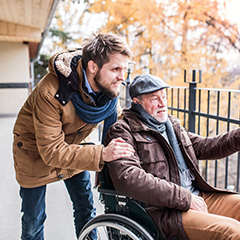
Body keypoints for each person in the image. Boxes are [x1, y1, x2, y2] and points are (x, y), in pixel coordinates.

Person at [13, 33, 135, 240]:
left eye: (124, 69)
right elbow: (51, 151)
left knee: (86, 209)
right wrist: (102, 154)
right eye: (116, 69)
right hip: (34, 152)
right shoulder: (49, 92)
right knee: (34, 221)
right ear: (93, 67)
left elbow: (115, 129)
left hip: (73, 146)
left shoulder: (108, 94)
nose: (122, 77)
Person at [105, 74, 240, 240]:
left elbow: (206, 146)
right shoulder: (123, 131)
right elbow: (130, 178)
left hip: (196, 196)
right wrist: (185, 198)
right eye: (154, 98)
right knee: (233, 232)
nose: (162, 103)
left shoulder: (170, 126)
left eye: (164, 97)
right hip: (165, 211)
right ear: (136, 101)